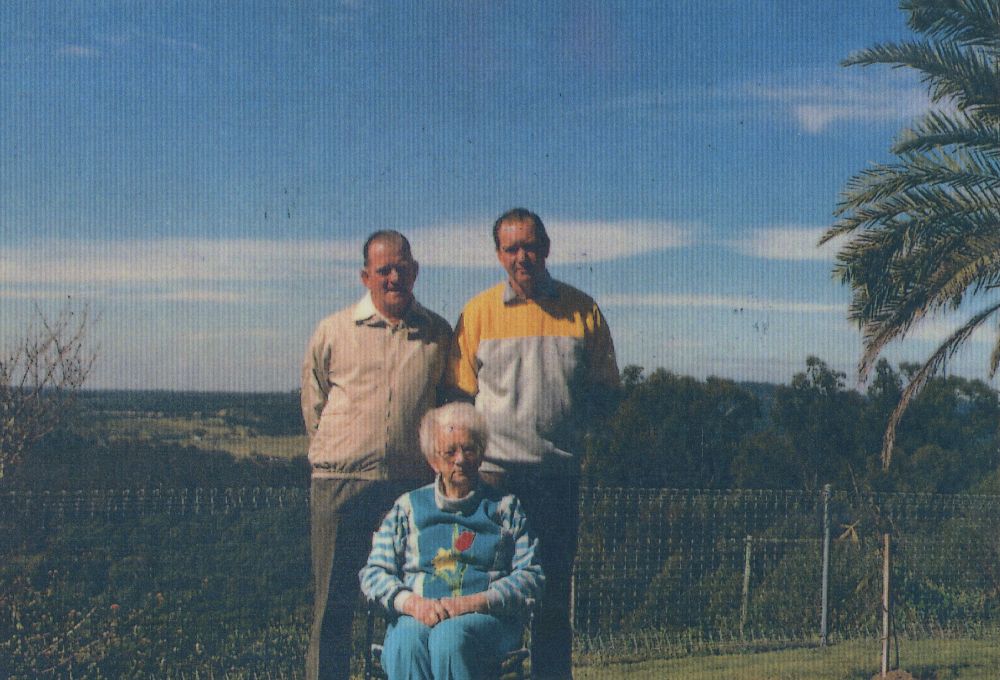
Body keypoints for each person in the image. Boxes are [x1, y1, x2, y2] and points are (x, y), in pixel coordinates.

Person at [446, 208, 619, 679]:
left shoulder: (583, 311)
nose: (522, 256)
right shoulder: (478, 313)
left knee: (551, 600)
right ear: (498, 254)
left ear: (547, 247)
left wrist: (568, 434)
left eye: (530, 246)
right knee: (482, 596)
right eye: (511, 248)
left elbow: (605, 394)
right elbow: (458, 403)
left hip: (555, 478)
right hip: (491, 481)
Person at [302, 230, 452, 680]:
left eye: (401, 267)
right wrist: (342, 455)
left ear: (415, 271)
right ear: (365, 275)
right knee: (334, 605)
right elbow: (314, 405)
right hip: (341, 486)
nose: (393, 276)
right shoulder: (334, 330)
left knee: (409, 605)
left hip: (411, 489)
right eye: (383, 269)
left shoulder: (438, 333)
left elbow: (445, 407)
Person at [360, 403, 544, 680]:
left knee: (449, 637)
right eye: (450, 451)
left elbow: (531, 576)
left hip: (485, 619)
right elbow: (374, 573)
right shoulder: (407, 507)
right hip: (418, 614)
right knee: (405, 643)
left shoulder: (505, 508)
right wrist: (412, 604)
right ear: (433, 460)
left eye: (469, 449)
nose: (460, 459)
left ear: (481, 454)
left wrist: (473, 603)